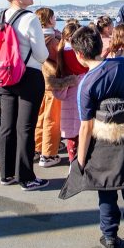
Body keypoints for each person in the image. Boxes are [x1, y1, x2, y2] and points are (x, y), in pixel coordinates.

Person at [59, 26, 124, 248]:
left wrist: (81, 161)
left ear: (79, 54)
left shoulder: (86, 85)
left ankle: (111, 238)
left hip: (104, 143)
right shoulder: (123, 66)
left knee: (106, 191)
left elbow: (86, 127)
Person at [0, 0, 50, 190]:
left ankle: (6, 173)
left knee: (7, 126)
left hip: (5, 75)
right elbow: (41, 53)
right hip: (28, 75)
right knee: (25, 127)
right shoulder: (30, 18)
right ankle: (26, 177)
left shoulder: (2, 16)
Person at [34, 7, 65, 167]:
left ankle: (37, 147)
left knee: (41, 116)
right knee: (52, 119)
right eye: (53, 17)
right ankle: (48, 154)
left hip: (40, 80)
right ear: (49, 20)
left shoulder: (37, 38)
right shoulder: (53, 41)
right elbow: (61, 58)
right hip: (53, 82)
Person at [55, 20, 87, 162]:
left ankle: (72, 162)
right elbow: (85, 68)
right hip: (80, 95)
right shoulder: (75, 54)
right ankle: (81, 162)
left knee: (72, 137)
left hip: (68, 97)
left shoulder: (61, 52)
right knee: (83, 132)